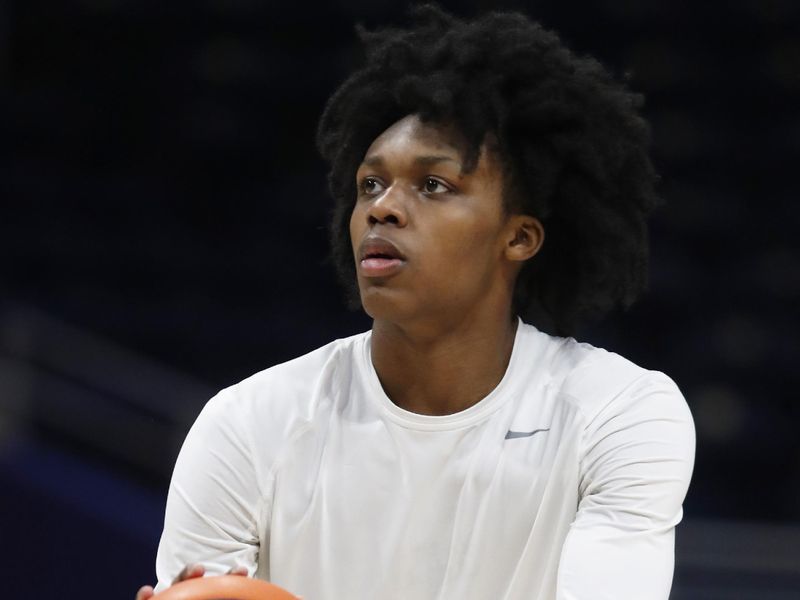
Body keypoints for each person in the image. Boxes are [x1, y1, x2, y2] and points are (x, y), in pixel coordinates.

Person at [137, 5, 695, 599]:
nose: (383, 207)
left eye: (434, 185)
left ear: (519, 237)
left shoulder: (620, 415)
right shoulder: (248, 424)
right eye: (370, 184)